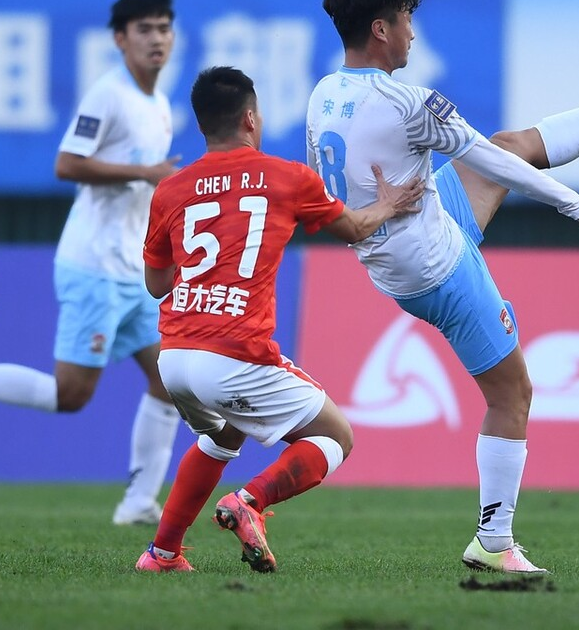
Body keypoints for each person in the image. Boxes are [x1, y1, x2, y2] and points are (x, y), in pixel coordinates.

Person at [308, 0, 579, 573]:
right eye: (406, 20)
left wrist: (379, 209)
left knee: (510, 143)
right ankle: (494, 540)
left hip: (400, 243)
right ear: (381, 29)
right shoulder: (407, 102)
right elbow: (479, 159)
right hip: (440, 266)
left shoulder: (325, 92)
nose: (411, 33)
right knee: (512, 394)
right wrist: (574, 204)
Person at [0, 0, 183, 526]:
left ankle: (139, 502)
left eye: (164, 28)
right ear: (120, 39)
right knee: (71, 395)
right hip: (94, 266)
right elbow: (67, 164)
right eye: (144, 29)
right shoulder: (109, 95)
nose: (157, 39)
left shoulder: (159, 103)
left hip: (132, 271)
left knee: (168, 382)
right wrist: (143, 174)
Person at [134, 66, 424, 573]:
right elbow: (354, 229)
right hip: (232, 352)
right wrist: (389, 204)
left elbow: (157, 285)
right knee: (336, 437)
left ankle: (162, 554)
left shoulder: (171, 190)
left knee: (223, 434)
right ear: (251, 118)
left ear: (204, 126)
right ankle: (249, 501)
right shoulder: (286, 177)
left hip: (174, 357)